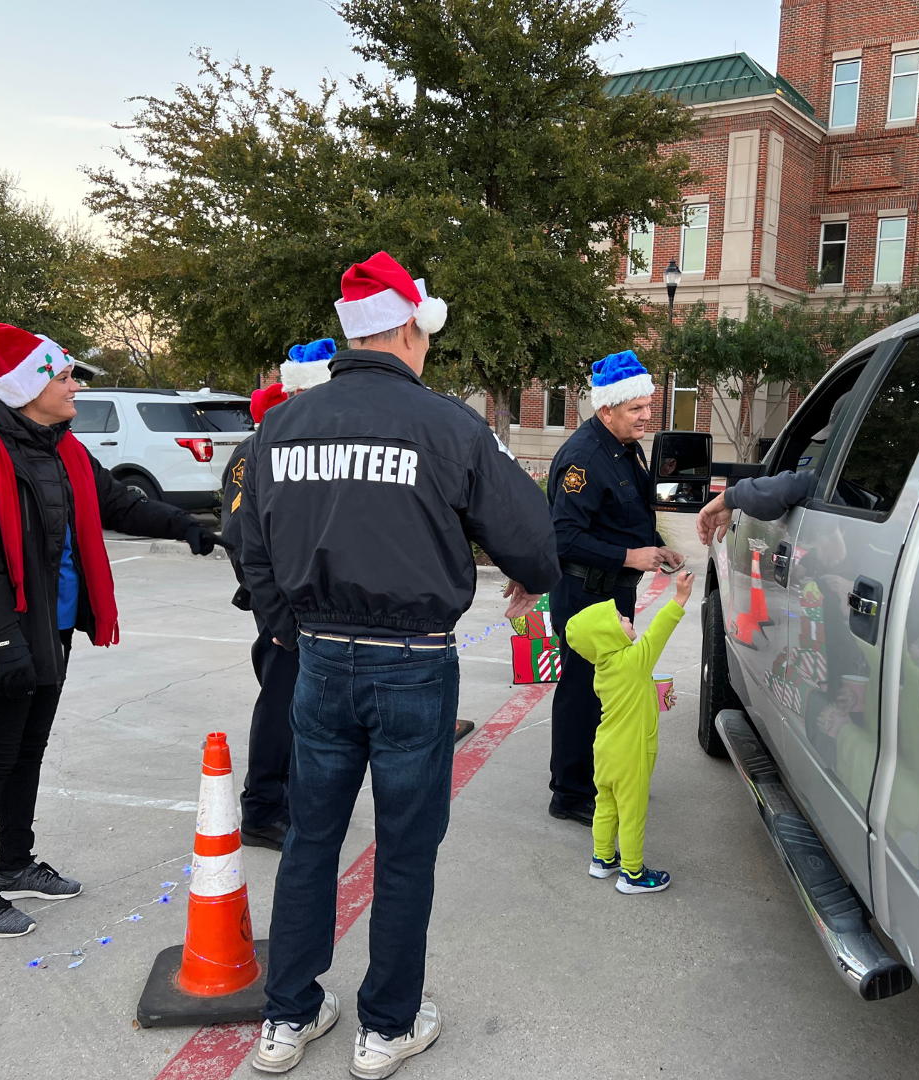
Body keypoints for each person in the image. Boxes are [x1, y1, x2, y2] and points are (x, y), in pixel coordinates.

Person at [241, 251, 560, 1077]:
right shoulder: (449, 426)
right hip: (412, 663)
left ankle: (289, 1015)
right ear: (411, 328)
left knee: (312, 835)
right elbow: (533, 540)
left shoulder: (282, 425)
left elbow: (251, 545)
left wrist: (288, 629)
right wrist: (530, 573)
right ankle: (385, 1027)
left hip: (319, 659)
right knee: (406, 846)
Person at [0, 323, 218, 938]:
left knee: (27, 752)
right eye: (63, 378)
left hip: (49, 628)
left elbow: (116, 502)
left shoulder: (60, 448)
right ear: (26, 388)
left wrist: (183, 524)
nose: (74, 388)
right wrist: (4, 641)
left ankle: (13, 864)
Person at [546, 350, 684, 827]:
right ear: (606, 410)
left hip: (613, 593)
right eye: (636, 409)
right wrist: (630, 557)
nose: (647, 416)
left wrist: (656, 545)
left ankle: (601, 779)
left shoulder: (625, 448)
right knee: (583, 692)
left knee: (609, 692)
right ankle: (569, 792)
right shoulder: (584, 457)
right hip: (585, 593)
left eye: (649, 406)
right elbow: (563, 536)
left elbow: (626, 514)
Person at [220, 342, 334, 849]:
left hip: (318, 603)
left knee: (311, 709)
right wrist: (276, 614)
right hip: (280, 606)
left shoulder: (315, 443)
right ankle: (264, 808)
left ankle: (296, 799)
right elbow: (242, 540)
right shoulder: (259, 449)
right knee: (282, 702)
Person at [565, 569, 694, 893]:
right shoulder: (635, 661)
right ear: (608, 636)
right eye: (620, 619)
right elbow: (659, 633)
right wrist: (679, 597)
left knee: (606, 806)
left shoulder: (604, 670)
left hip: (606, 750)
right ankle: (633, 874)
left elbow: (633, 697)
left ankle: (602, 858)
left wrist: (658, 696)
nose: (627, 618)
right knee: (632, 814)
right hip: (631, 753)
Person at [696, 392, 851, 545]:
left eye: (840, 444)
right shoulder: (854, 494)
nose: (834, 453)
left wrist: (728, 498)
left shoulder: (825, 489)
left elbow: (800, 484)